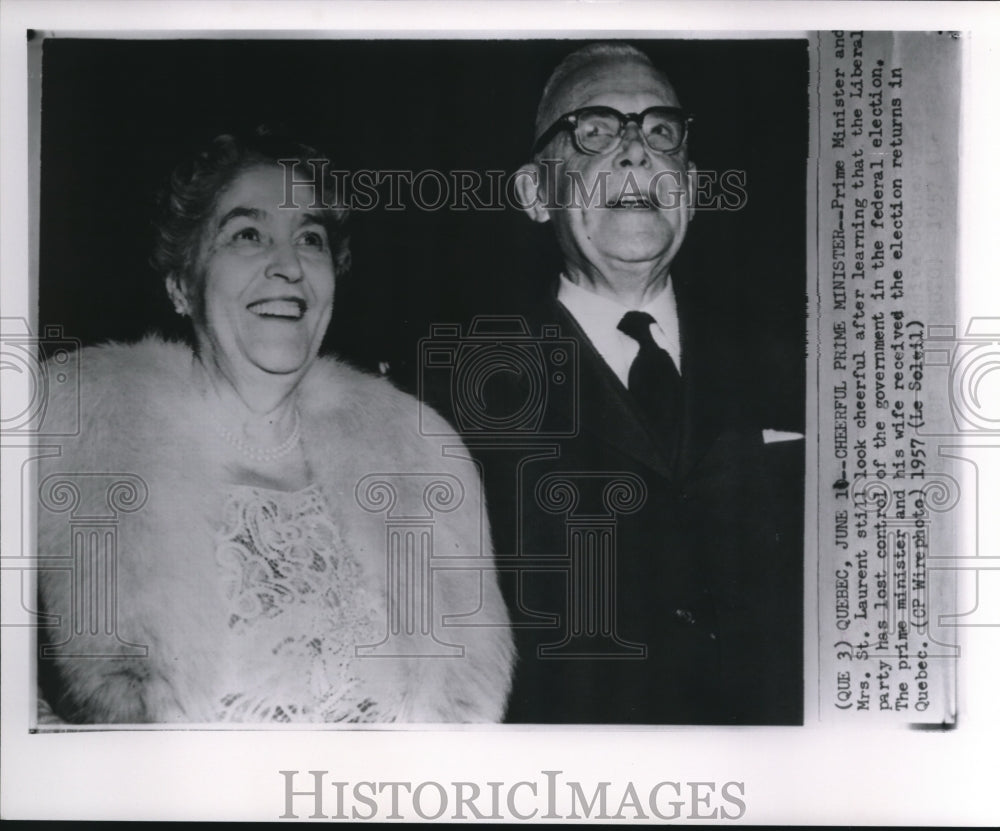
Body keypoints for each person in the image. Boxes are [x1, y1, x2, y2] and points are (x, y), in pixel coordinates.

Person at [36, 129, 513, 724]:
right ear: (182, 284)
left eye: (309, 239)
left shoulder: (423, 459)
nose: (287, 265)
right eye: (248, 234)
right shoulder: (71, 436)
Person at [430, 43, 804, 724]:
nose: (636, 152)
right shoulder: (458, 402)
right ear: (535, 193)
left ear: (688, 181)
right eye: (594, 130)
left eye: (661, 130)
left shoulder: (804, 357)